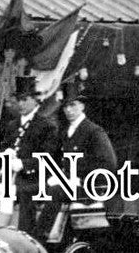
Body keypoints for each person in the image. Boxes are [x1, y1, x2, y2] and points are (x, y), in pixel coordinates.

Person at [34, 84, 117, 240]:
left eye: (73, 105)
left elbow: (108, 163)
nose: (69, 110)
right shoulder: (66, 132)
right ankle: (52, 239)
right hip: (72, 184)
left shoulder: (94, 131)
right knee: (37, 188)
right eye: (65, 106)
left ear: (82, 106)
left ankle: (39, 237)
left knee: (56, 191)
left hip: (90, 186)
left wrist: (76, 176)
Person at [0, 75, 57, 231]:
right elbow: (2, 147)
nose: (20, 104)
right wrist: (5, 152)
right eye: (19, 100)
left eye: (25, 99)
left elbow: (48, 158)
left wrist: (22, 164)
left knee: (6, 194)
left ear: (35, 101)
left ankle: (1, 232)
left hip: (36, 180)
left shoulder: (47, 125)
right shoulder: (13, 125)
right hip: (11, 178)